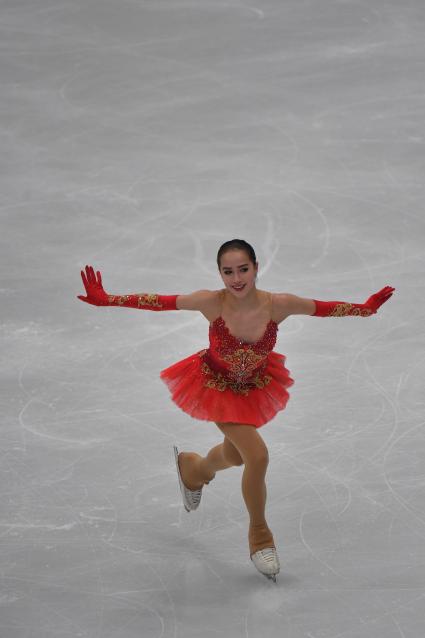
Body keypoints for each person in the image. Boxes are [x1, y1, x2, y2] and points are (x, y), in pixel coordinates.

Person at [77, 238, 395, 582]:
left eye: (243, 269)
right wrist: (107, 300)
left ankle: (194, 469)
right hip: (214, 385)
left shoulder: (279, 305)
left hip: (253, 386)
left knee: (239, 455)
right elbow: (160, 302)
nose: (236, 278)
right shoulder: (211, 302)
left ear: (256, 268)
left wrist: (365, 308)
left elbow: (322, 307)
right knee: (257, 456)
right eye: (228, 271)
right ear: (220, 273)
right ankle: (260, 536)